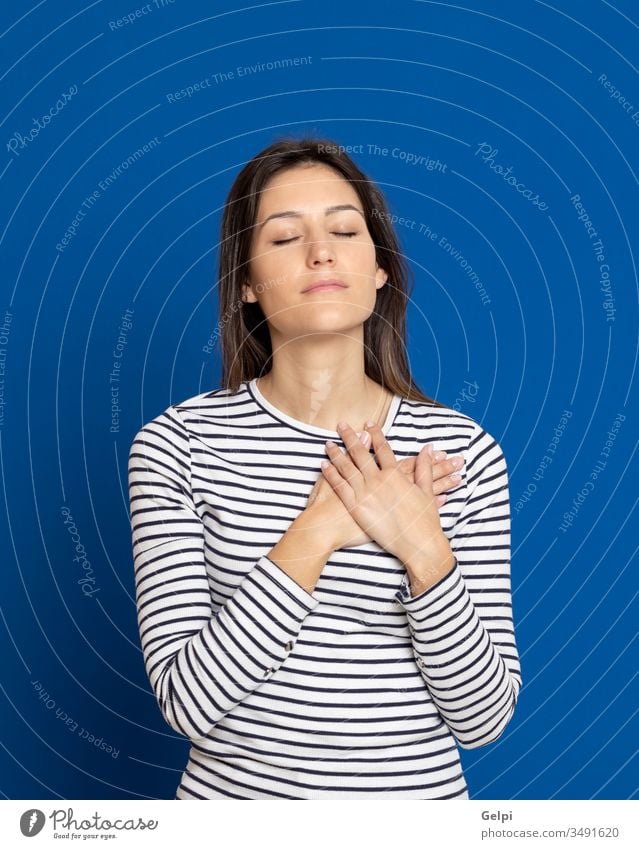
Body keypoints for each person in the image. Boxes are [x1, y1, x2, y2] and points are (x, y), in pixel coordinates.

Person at [127, 136, 522, 800]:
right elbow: (186, 704)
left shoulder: (458, 452)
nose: (321, 251)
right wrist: (315, 530)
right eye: (284, 238)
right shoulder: (178, 446)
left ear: (379, 269)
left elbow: (483, 717)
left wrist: (422, 547)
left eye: (344, 229)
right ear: (246, 282)